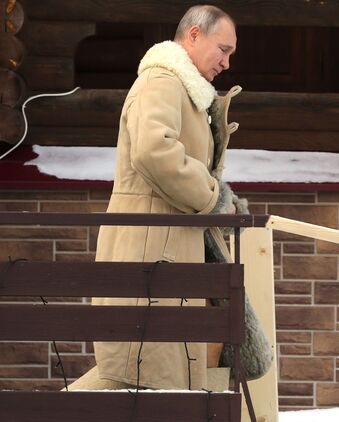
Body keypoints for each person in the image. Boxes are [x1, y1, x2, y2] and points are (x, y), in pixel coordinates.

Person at [70, 4, 242, 391]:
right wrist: (213, 198)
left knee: (157, 375)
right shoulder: (162, 81)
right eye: (223, 49)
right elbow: (153, 151)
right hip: (152, 252)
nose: (227, 63)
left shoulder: (183, 89)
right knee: (134, 375)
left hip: (167, 250)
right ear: (194, 35)